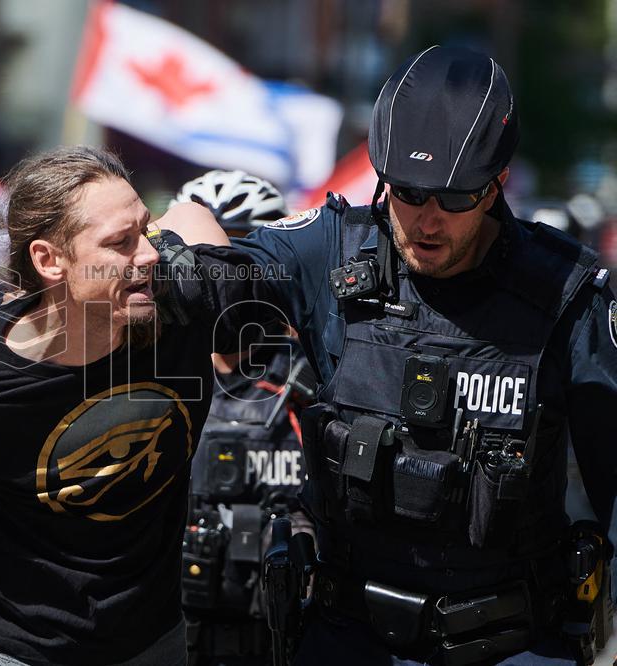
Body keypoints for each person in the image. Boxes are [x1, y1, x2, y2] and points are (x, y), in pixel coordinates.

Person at [155, 46, 617, 665]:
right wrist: (181, 243)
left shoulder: (566, 292)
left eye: (455, 198)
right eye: (409, 192)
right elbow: (227, 285)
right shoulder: (329, 250)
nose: (429, 220)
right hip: (347, 637)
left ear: (496, 186)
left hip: (512, 645)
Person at [0, 145, 272, 666]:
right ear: (48, 260)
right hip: (8, 651)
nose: (150, 255)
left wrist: (161, 238)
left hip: (152, 642)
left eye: (145, 231)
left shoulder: (178, 301)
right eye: (120, 242)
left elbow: (191, 213)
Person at [171, 170, 316, 666]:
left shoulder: (318, 372)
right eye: (202, 260)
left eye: (239, 257)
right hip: (177, 625)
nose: (220, 278)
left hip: (284, 633)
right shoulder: (150, 369)